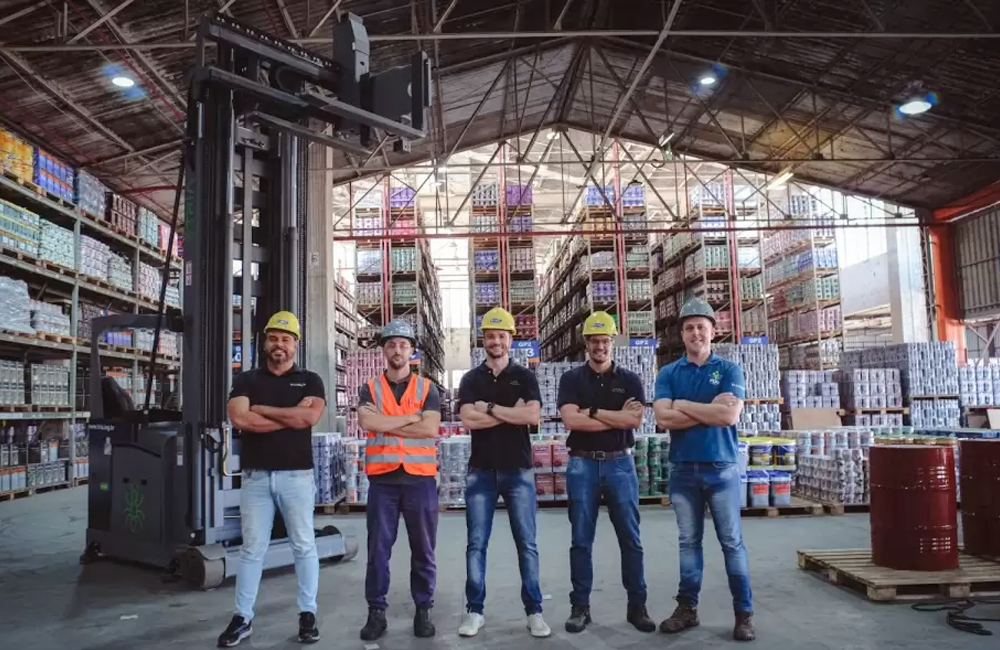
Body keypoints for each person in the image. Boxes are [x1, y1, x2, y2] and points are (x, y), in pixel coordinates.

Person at [217, 311, 328, 647]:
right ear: (265, 342)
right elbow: (239, 417)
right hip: (256, 478)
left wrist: (262, 409)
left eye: (286, 338)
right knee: (252, 550)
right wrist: (290, 417)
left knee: (304, 546)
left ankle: (308, 614)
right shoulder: (247, 380)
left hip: (296, 477)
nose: (279, 344)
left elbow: (309, 416)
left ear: (296, 344)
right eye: (274, 338)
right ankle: (242, 617)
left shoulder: (310, 380)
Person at [652, 298, 755, 642]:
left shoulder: (729, 370)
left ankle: (743, 614)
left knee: (731, 542)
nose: (696, 332)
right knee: (688, 543)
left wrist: (682, 406)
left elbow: (728, 416)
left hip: (722, 468)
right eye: (689, 327)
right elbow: (662, 418)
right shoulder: (668, 373)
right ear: (682, 334)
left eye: (702, 326)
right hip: (683, 470)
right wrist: (704, 408)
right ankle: (687, 609)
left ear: (713, 330)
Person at [555, 311, 656, 634]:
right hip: (582, 463)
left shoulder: (630, 380)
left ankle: (637, 606)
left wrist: (594, 412)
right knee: (581, 540)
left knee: (631, 538)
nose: (600, 346)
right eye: (594, 341)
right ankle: (580, 608)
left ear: (613, 343)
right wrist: (615, 416)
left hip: (620, 464)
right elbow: (572, 421)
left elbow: (634, 421)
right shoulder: (571, 379)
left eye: (605, 341)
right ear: (586, 344)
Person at [456, 307, 550, 638]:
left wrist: (491, 409)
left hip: (518, 470)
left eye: (501, 335)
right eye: (490, 335)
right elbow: (469, 419)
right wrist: (513, 413)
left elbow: (532, 416)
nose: (496, 341)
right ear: (483, 340)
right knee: (476, 544)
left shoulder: (524, 376)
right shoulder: (470, 379)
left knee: (527, 543)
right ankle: (474, 610)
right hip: (480, 472)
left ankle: (534, 611)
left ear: (510, 339)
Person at [356, 320, 442, 641]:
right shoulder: (370, 387)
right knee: (378, 550)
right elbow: (367, 421)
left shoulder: (427, 388)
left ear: (411, 350)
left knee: (423, 549)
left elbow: (430, 429)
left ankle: (423, 610)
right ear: (384, 350)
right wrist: (410, 417)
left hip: (420, 480)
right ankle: (376, 612)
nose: (397, 349)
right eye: (391, 344)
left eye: (403, 344)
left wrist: (385, 424)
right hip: (383, 481)